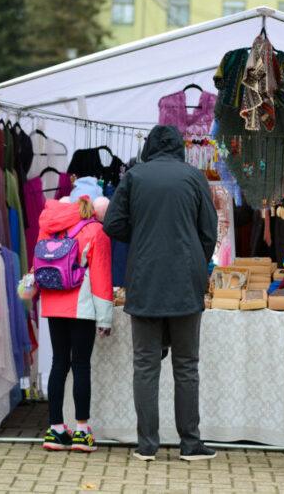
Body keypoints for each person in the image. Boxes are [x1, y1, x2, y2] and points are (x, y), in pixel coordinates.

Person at [103, 124, 217, 462]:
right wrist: (196, 258)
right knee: (186, 365)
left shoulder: (134, 177)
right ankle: (191, 444)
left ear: (150, 146)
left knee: (145, 365)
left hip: (145, 279)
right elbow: (209, 231)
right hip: (185, 280)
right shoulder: (194, 177)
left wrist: (141, 236)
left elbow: (112, 223)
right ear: (179, 147)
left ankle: (147, 446)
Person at [39, 177, 113, 452]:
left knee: (59, 363)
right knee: (81, 365)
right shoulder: (95, 230)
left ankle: (55, 429)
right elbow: (101, 279)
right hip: (81, 307)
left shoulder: (50, 225)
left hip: (52, 303)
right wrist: (105, 319)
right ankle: (82, 431)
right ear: (97, 204)